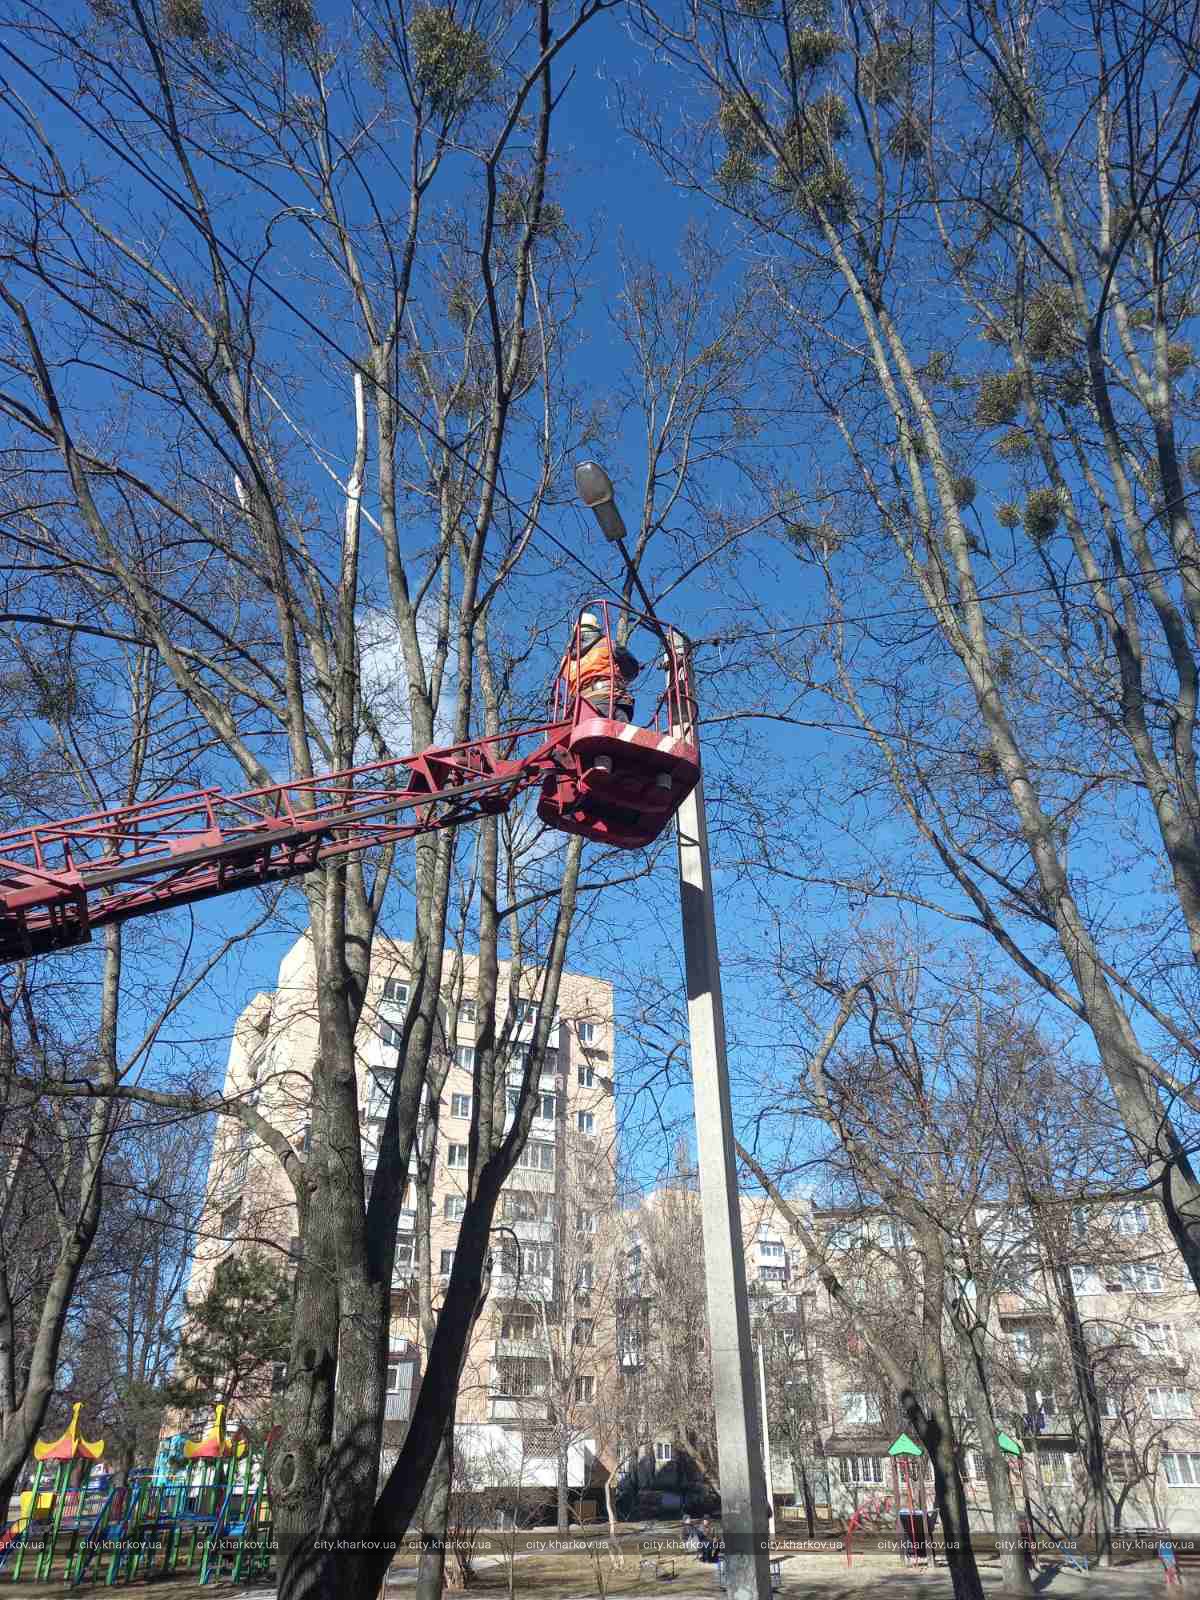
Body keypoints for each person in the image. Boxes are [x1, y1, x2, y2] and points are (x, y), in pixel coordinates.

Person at [561, 612, 640, 723]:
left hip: (579, 709)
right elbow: (631, 670)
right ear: (595, 628)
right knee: (619, 732)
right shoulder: (607, 644)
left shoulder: (566, 661)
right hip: (608, 699)